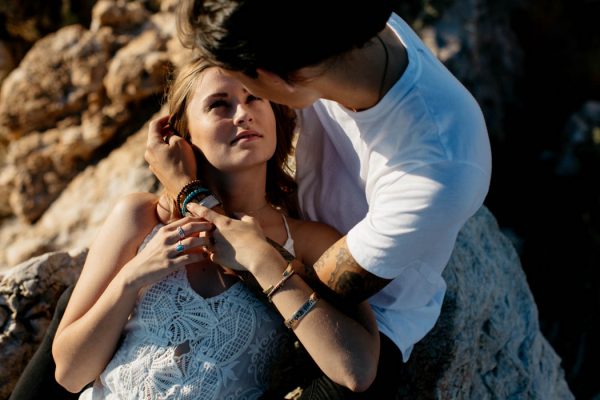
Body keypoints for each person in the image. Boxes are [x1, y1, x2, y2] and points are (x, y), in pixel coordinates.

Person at [144, 0, 493, 396]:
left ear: (278, 79)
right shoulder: (332, 28)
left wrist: (191, 192)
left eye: (248, 87)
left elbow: (303, 283)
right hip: (284, 229)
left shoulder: (438, 170)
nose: (244, 106)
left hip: (364, 314)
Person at [51, 57, 380, 399]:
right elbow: (71, 374)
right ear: (182, 132)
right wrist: (132, 277)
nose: (242, 114)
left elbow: (355, 370)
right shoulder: (142, 217)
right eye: (219, 105)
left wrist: (262, 261)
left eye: (254, 97)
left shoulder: (310, 241)